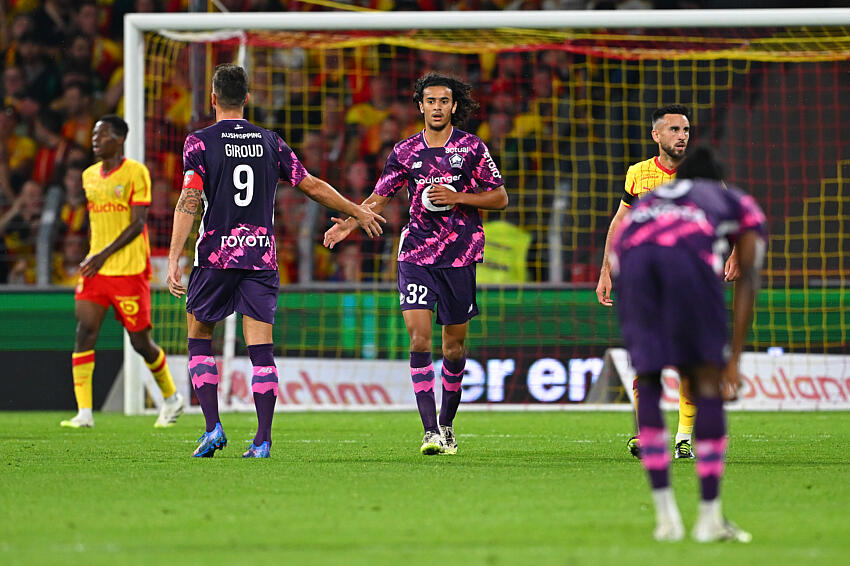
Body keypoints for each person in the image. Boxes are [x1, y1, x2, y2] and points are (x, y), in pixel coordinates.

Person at [166, 63, 384, 459]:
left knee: (199, 338)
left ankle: (213, 427)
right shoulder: (270, 141)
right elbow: (313, 186)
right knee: (261, 349)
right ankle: (262, 439)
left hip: (216, 255)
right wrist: (358, 211)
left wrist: (173, 257)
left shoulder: (198, 142)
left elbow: (190, 200)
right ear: (247, 98)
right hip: (260, 258)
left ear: (213, 98)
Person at [324, 72, 509, 455]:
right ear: (420, 105)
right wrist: (351, 222)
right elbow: (380, 196)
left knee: (454, 349)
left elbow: (500, 198)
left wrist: (459, 196)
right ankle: (429, 432)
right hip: (416, 254)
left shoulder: (472, 147)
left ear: (454, 106)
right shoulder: (406, 151)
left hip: (460, 256)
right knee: (419, 338)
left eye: (444, 101)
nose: (437, 107)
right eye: (431, 101)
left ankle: (447, 423)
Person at [610, 146, 766, 543]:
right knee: (706, 383)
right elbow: (747, 277)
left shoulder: (651, 200)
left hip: (634, 270)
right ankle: (710, 519)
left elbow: (619, 242)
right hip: (689, 275)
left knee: (647, 380)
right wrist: (733, 358)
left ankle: (666, 519)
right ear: (716, 180)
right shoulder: (734, 200)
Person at [597, 104, 715, 459]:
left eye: (686, 130)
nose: (682, 136)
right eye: (675, 130)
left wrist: (737, 252)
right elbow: (620, 221)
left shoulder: (703, 172)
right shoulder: (639, 174)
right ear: (657, 135)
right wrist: (606, 269)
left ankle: (682, 438)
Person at [61, 115, 184, 429]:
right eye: (93, 134)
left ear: (119, 139)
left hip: (129, 271)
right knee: (84, 332)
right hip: (95, 269)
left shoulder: (135, 172)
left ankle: (171, 398)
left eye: (101, 135)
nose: (94, 140)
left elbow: (138, 223)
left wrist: (103, 254)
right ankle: (84, 412)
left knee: (140, 343)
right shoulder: (89, 176)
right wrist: (95, 255)